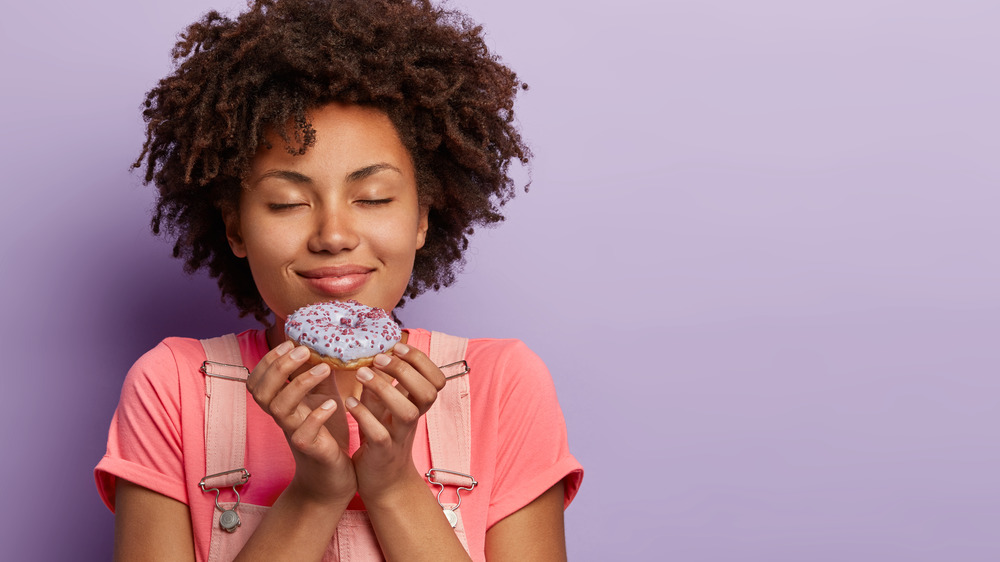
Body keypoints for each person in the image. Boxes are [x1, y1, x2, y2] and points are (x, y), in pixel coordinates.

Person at [94, 0, 583, 560]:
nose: (333, 235)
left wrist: (394, 485)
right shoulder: (173, 387)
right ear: (235, 227)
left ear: (422, 218)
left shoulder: (503, 384)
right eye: (286, 203)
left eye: (373, 198)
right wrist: (314, 493)